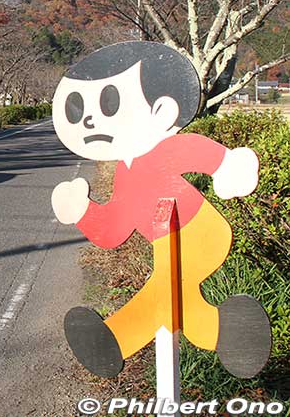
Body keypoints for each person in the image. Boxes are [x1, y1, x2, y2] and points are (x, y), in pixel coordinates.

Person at [52, 41, 271, 379]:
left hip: (200, 232)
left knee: (164, 290)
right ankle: (227, 333)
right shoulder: (125, 172)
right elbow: (114, 228)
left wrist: (228, 165)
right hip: (166, 244)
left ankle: (116, 340)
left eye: (109, 103)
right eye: (78, 109)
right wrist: (82, 211)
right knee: (175, 299)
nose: (92, 118)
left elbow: (196, 151)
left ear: (162, 111)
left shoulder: (163, 151)